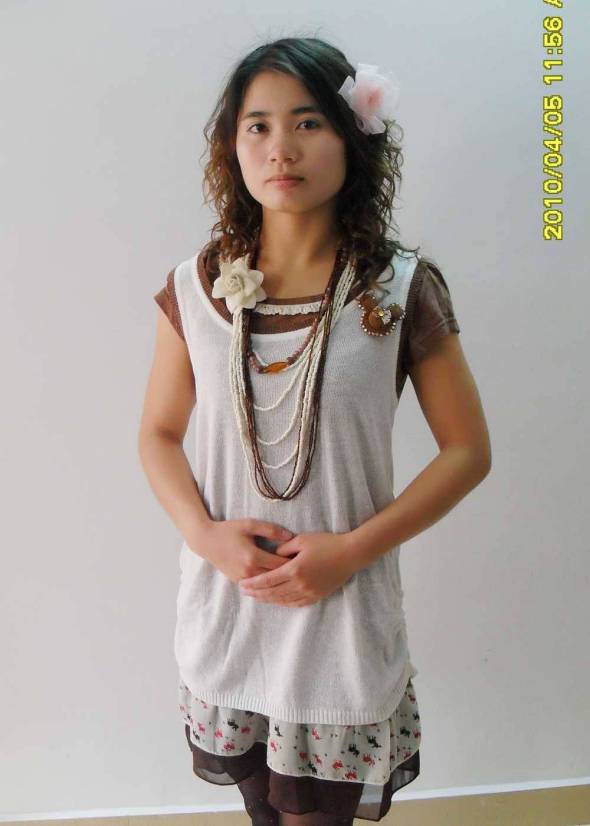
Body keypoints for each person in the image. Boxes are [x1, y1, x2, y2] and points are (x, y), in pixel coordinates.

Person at [138, 36, 492, 826]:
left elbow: (468, 451)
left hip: (340, 626)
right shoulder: (196, 288)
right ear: (232, 146)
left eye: (307, 122)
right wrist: (205, 535)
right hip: (228, 614)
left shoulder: (398, 290)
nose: (281, 148)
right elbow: (158, 433)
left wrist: (351, 552)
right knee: (262, 813)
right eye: (257, 126)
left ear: (352, 136)